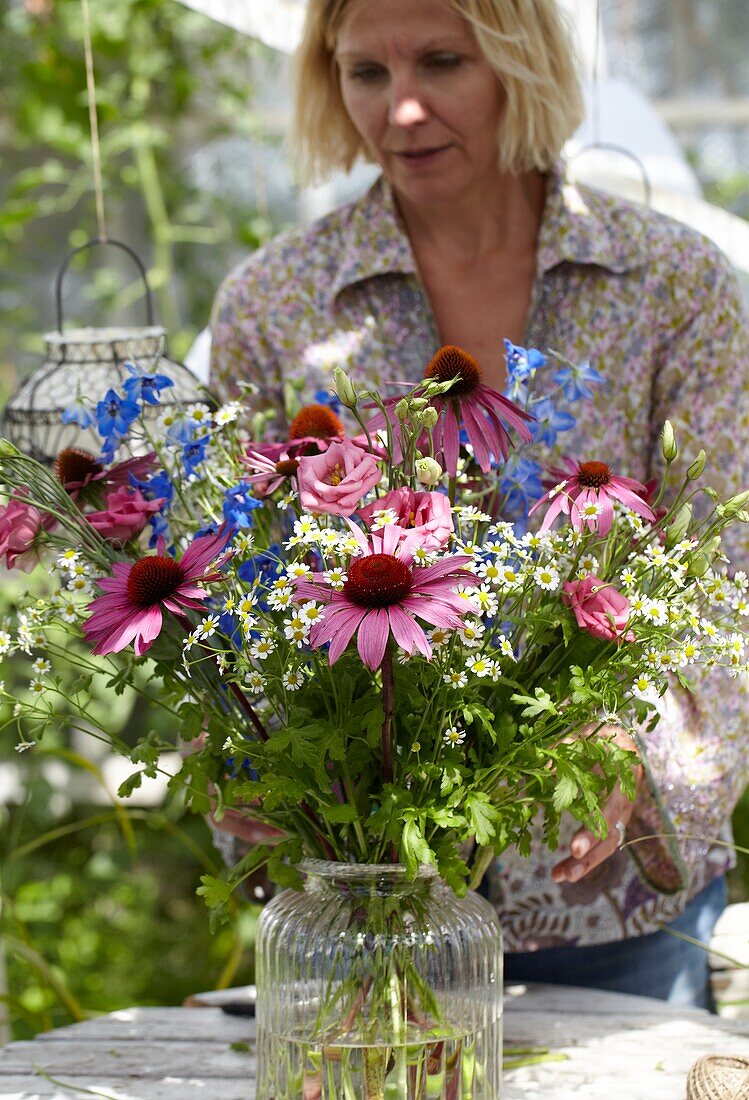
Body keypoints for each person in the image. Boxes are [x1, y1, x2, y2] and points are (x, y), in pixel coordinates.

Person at [209, 0, 749, 1009]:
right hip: (364, 887)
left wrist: (630, 739)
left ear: (519, 63)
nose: (400, 110)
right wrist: (242, 759)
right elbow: (234, 575)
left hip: (603, 895)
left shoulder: (673, 285)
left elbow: (724, 576)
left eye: (441, 62)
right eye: (364, 73)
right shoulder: (277, 302)